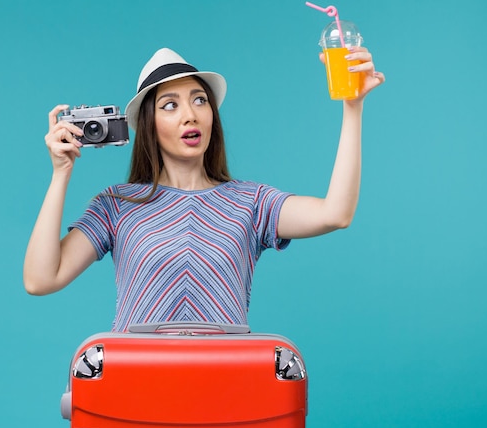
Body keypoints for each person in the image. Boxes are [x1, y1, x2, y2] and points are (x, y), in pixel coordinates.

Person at [23, 47, 385, 332]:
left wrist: (353, 109)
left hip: (225, 390)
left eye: (199, 100)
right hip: (136, 387)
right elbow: (40, 279)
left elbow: (336, 213)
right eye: (170, 105)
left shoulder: (251, 203)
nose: (190, 115)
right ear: (150, 124)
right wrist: (61, 173)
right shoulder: (117, 206)